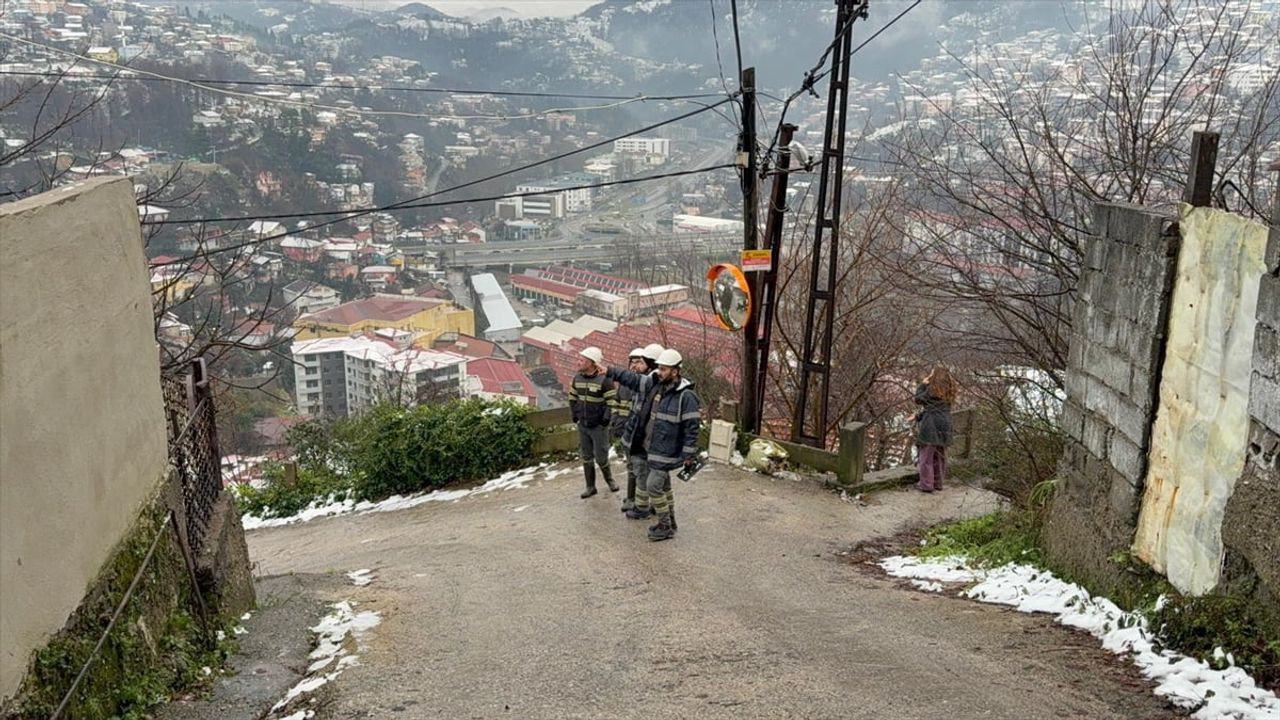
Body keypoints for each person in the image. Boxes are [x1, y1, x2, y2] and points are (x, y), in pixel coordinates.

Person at [607, 348, 700, 541]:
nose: (659, 372)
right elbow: (632, 379)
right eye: (659, 368)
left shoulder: (686, 397)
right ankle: (671, 521)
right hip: (648, 447)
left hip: (664, 451)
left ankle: (665, 525)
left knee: (653, 486)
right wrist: (609, 371)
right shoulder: (655, 384)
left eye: (664, 369)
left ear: (675, 371)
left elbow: (692, 428)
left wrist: (688, 454)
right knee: (663, 487)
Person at [569, 346, 618, 499]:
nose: (578, 362)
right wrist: (574, 414)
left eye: (582, 360)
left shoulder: (605, 380)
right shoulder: (577, 378)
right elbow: (572, 398)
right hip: (583, 425)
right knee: (586, 456)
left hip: (598, 426)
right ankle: (590, 486)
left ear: (591, 363)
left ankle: (610, 480)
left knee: (601, 456)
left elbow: (612, 402)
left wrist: (605, 420)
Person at [610, 347, 652, 513]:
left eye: (638, 362)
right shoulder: (624, 385)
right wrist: (616, 424)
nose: (634, 366)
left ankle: (636, 500)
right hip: (626, 431)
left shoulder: (644, 384)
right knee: (631, 467)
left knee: (639, 468)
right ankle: (631, 497)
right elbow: (617, 404)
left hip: (639, 434)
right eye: (632, 362)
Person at [913, 365, 955, 493]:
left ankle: (926, 485)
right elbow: (936, 407)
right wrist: (918, 416)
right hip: (945, 423)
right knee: (939, 454)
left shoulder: (931, 389)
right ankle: (938, 483)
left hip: (931, 424)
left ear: (934, 376)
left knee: (926, 455)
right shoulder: (950, 390)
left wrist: (922, 384)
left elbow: (918, 399)